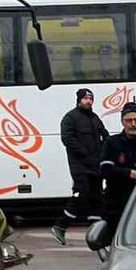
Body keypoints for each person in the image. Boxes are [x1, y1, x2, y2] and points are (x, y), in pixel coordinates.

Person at [53, 88, 109, 245]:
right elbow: (67, 139)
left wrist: (105, 150)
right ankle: (60, 226)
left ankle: (95, 234)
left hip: (96, 165)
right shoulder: (70, 118)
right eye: (85, 98)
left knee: (97, 198)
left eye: (91, 99)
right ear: (79, 100)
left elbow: (105, 135)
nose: (89, 101)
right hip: (80, 166)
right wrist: (84, 152)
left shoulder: (95, 118)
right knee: (81, 194)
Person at [98, 102, 136, 240]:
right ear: (122, 121)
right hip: (116, 208)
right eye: (129, 120)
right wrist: (131, 174)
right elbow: (105, 170)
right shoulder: (111, 143)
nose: (133, 124)